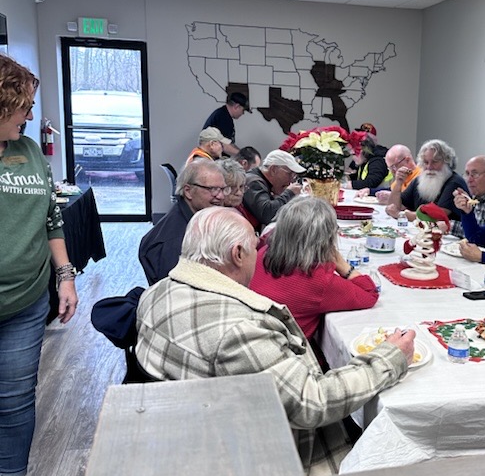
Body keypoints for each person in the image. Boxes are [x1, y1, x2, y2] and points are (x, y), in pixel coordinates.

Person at [136, 207, 415, 430]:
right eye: (253, 247)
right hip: (257, 447)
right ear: (237, 254)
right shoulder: (239, 330)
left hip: (186, 426)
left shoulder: (154, 293)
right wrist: (388, 358)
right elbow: (312, 402)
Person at [0, 55, 78, 476]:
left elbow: (52, 219)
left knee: (14, 397)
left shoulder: (29, 151)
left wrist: (65, 275)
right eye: (22, 106)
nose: (29, 116)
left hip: (25, 302)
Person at [250, 197, 378, 341]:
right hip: (289, 353)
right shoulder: (319, 279)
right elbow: (369, 294)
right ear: (325, 240)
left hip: (254, 337)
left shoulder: (263, 253)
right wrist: (342, 265)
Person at [138, 158, 228, 284]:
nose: (221, 196)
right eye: (212, 189)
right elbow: (178, 294)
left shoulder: (199, 218)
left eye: (223, 189)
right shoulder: (174, 243)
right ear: (188, 191)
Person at [386, 139, 468, 221]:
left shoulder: (454, 182)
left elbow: (439, 216)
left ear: (447, 162)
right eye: (426, 162)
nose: (429, 167)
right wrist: (398, 184)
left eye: (435, 162)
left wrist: (401, 215)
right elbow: (393, 207)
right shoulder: (419, 180)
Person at [242, 149, 305, 233]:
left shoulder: (261, 181)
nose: (291, 180)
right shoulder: (254, 182)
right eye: (290, 174)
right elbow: (267, 214)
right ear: (273, 169)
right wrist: (289, 193)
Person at [202, 91, 251, 156]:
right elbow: (224, 145)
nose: (243, 113)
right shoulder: (223, 118)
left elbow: (229, 143)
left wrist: (242, 152)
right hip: (212, 160)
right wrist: (244, 156)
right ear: (236, 106)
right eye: (243, 110)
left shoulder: (223, 114)